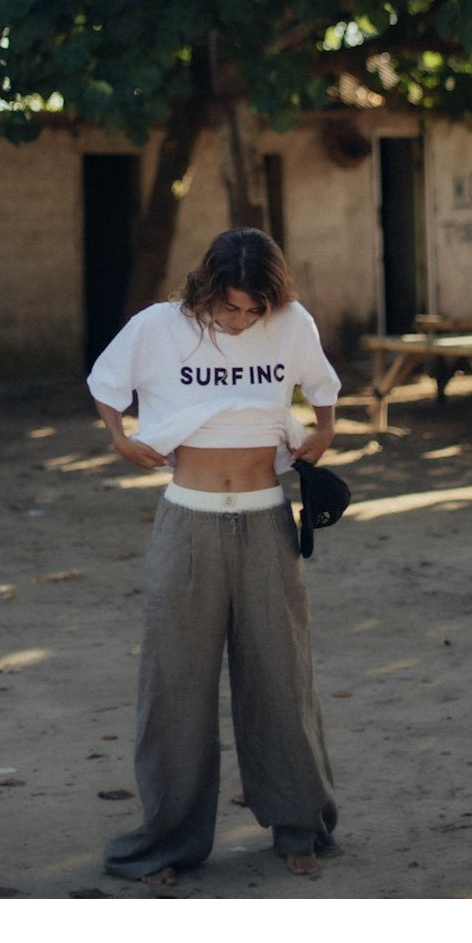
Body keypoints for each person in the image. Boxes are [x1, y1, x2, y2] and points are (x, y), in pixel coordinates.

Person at [87, 226, 341, 887]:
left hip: (265, 519)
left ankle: (297, 823)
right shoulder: (157, 327)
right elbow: (106, 384)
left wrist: (325, 432)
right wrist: (120, 439)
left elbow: (324, 392)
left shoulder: (291, 324)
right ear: (206, 287)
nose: (244, 318)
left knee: (281, 678)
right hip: (188, 520)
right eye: (232, 306)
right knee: (175, 685)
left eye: (256, 308)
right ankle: (170, 838)